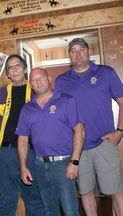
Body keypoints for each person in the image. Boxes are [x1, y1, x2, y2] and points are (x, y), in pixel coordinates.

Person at [55, 38, 123, 215]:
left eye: (81, 49)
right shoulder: (62, 81)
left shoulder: (106, 72)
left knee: (115, 190)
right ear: (69, 55)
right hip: (77, 148)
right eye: (73, 51)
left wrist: (120, 131)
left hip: (105, 143)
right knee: (85, 192)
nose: (77, 54)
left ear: (88, 51)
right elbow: (57, 112)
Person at [16, 67, 84, 215]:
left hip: (64, 164)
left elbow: (79, 130)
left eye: (41, 77)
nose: (38, 82)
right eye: (34, 80)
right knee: (50, 211)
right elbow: (22, 139)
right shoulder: (27, 109)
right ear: (31, 86)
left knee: (70, 211)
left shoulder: (66, 100)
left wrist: (74, 162)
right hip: (39, 165)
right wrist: (23, 167)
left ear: (49, 79)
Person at [0, 54, 44, 216]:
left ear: (25, 69)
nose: (14, 69)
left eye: (17, 65)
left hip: (32, 153)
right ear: (8, 74)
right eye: (10, 67)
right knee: (3, 199)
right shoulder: (0, 94)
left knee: (35, 197)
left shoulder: (36, 91)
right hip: (4, 154)